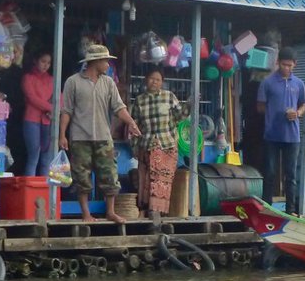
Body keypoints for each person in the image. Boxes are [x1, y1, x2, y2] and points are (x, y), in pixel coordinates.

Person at [58, 43, 141, 223]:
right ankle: (86, 214)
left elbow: (119, 108)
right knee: (82, 178)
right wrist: (62, 135)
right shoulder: (73, 82)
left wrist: (131, 123)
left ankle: (110, 212)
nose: (108, 65)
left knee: (110, 175)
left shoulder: (109, 83)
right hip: (80, 138)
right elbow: (67, 111)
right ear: (95, 62)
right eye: (105, 61)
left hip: (104, 137)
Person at [129, 67, 186, 221]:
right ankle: (146, 209)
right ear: (146, 80)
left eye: (158, 79)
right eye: (152, 78)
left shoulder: (169, 97)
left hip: (166, 145)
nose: (154, 82)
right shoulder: (139, 101)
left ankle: (157, 211)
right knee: (145, 179)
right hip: (146, 145)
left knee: (161, 180)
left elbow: (180, 116)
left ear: (162, 82)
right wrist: (134, 146)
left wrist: (191, 103)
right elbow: (134, 125)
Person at [256, 46, 305, 209]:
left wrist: (297, 113)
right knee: (269, 173)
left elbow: (303, 105)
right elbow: (260, 107)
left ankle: (291, 209)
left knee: (290, 174)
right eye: (284, 65)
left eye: (290, 65)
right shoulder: (267, 82)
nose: (287, 68)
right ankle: (266, 207)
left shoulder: (299, 84)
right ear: (278, 63)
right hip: (272, 134)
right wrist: (275, 111)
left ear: (295, 65)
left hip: (292, 136)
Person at [20, 52, 54, 177]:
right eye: (43, 61)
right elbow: (31, 98)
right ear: (35, 61)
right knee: (34, 155)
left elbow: (59, 97)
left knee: (47, 158)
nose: (46, 65)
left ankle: (46, 192)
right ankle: (30, 192)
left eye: (48, 63)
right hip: (32, 120)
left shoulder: (51, 80)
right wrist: (51, 108)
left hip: (48, 120)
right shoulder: (28, 78)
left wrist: (55, 109)